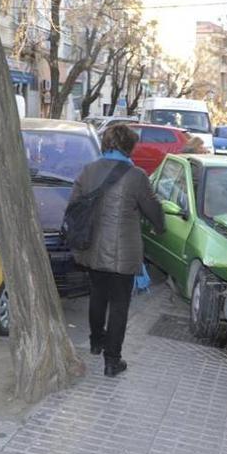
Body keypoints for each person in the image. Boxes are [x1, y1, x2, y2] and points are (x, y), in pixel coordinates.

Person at [70, 125, 165, 377]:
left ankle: (95, 342)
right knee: (120, 305)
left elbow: (73, 205)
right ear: (128, 147)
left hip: (91, 249)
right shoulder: (136, 176)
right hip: (124, 253)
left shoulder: (88, 171)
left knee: (97, 296)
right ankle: (112, 361)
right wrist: (160, 226)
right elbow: (153, 209)